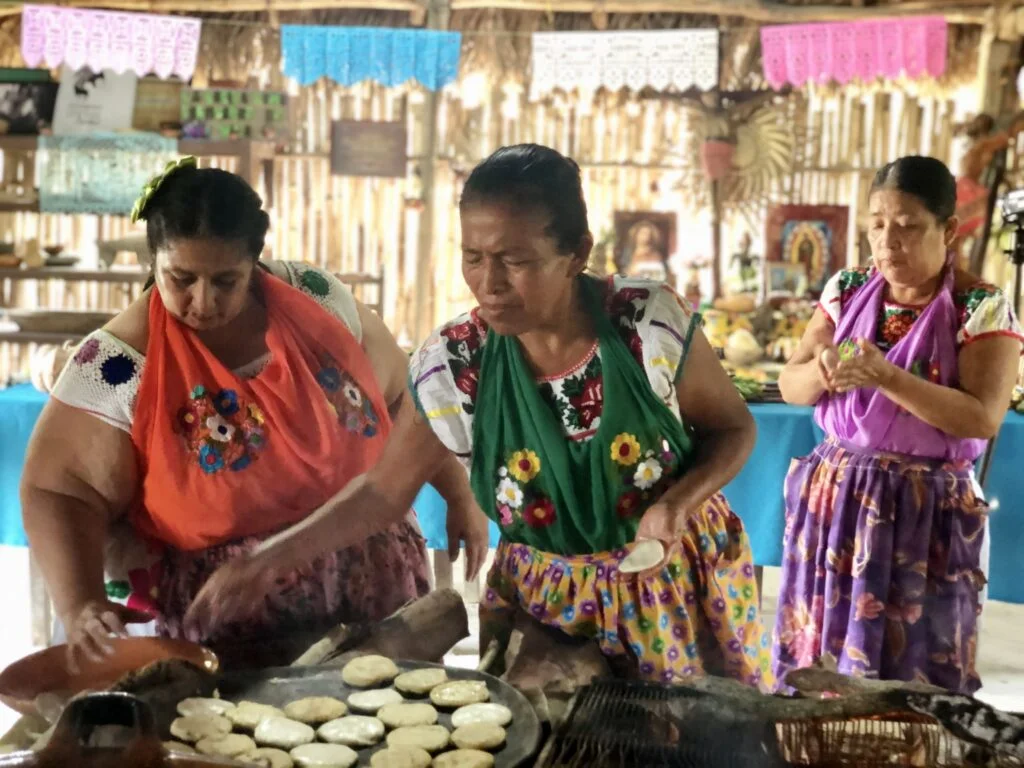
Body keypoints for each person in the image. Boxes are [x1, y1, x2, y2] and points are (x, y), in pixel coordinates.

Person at [21, 157, 488, 669]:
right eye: (181, 278)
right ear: (153, 262)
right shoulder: (118, 366)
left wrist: (455, 489)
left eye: (226, 281)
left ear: (256, 263)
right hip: (227, 614)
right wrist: (79, 602)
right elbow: (58, 488)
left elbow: (403, 402)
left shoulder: (318, 303)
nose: (203, 301)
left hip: (372, 575)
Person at [409, 145, 772, 687]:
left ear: (577, 251)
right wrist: (268, 559)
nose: (490, 283)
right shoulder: (455, 363)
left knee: (690, 743)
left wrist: (676, 504)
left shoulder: (646, 326)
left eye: (515, 260)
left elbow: (734, 428)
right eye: (474, 257)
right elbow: (378, 493)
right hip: (542, 613)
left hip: (671, 591)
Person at [773, 155, 1023, 693]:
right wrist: (821, 373)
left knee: (910, 668)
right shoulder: (847, 289)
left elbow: (982, 416)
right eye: (877, 225)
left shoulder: (979, 306)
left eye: (908, 227)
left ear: (949, 230)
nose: (888, 243)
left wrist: (887, 376)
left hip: (923, 510)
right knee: (826, 657)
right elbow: (790, 385)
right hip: (836, 502)